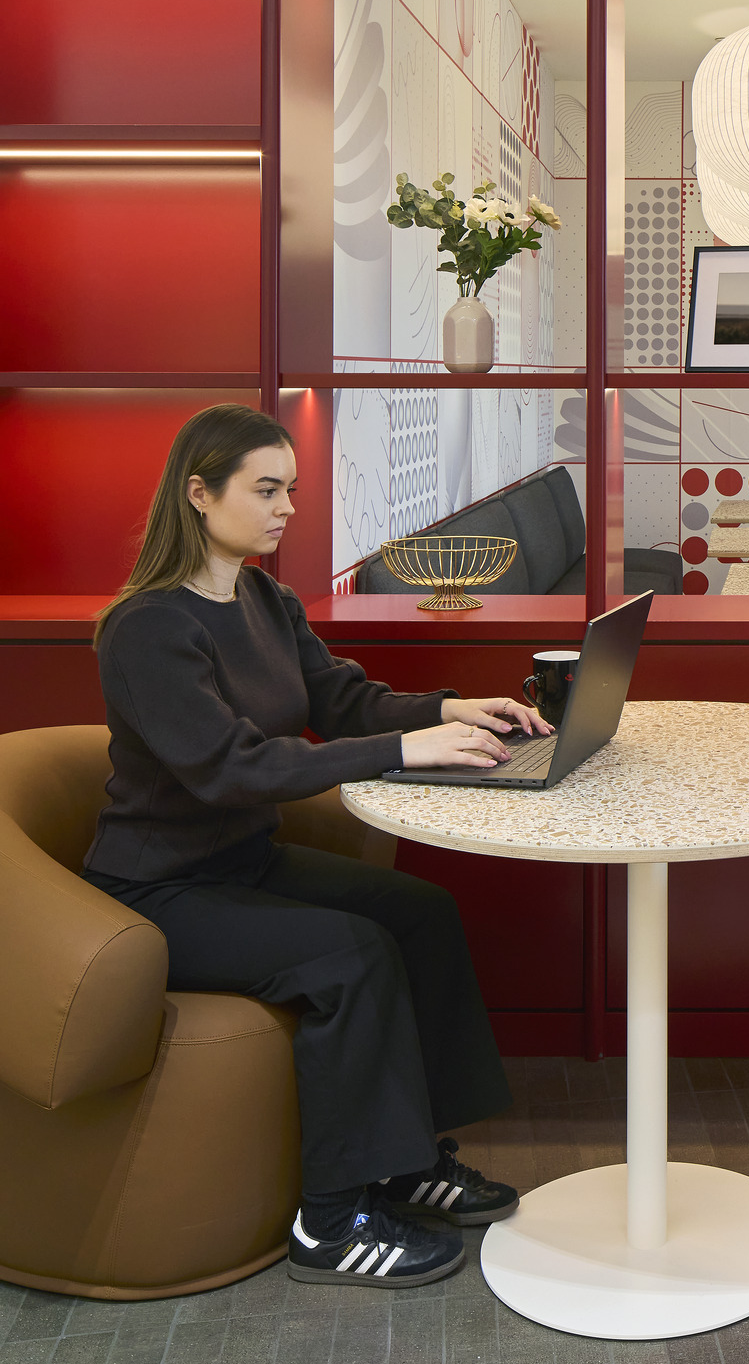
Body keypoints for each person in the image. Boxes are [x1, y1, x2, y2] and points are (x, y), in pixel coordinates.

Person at [84, 404, 553, 1287]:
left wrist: (448, 709)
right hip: (160, 890)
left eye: (290, 489)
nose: (287, 508)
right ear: (199, 494)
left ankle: (408, 1160)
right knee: (350, 955)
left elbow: (340, 699)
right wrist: (405, 750)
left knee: (420, 912)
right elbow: (229, 768)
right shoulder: (147, 628)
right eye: (266, 490)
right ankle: (330, 1222)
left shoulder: (264, 599)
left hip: (243, 865)